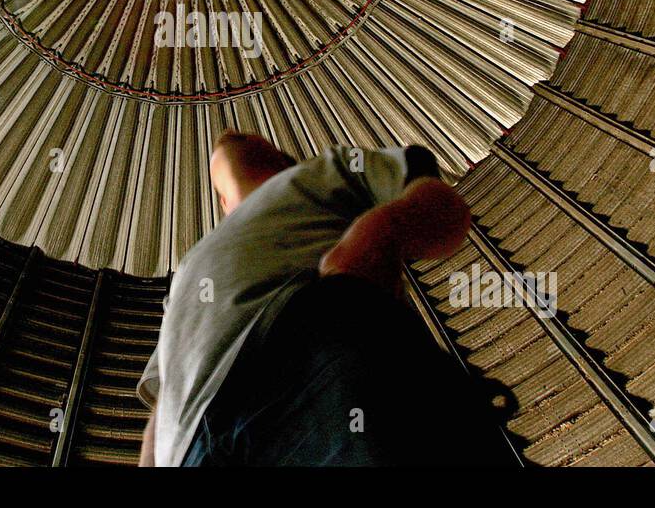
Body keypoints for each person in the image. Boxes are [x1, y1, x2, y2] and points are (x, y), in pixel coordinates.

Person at [137, 131, 516, 467]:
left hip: (309, 352)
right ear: (223, 204)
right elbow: (161, 395)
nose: (228, 139)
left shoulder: (324, 170)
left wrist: (372, 242)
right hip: (187, 445)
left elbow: (437, 201)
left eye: (249, 143)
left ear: (284, 161)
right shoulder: (188, 265)